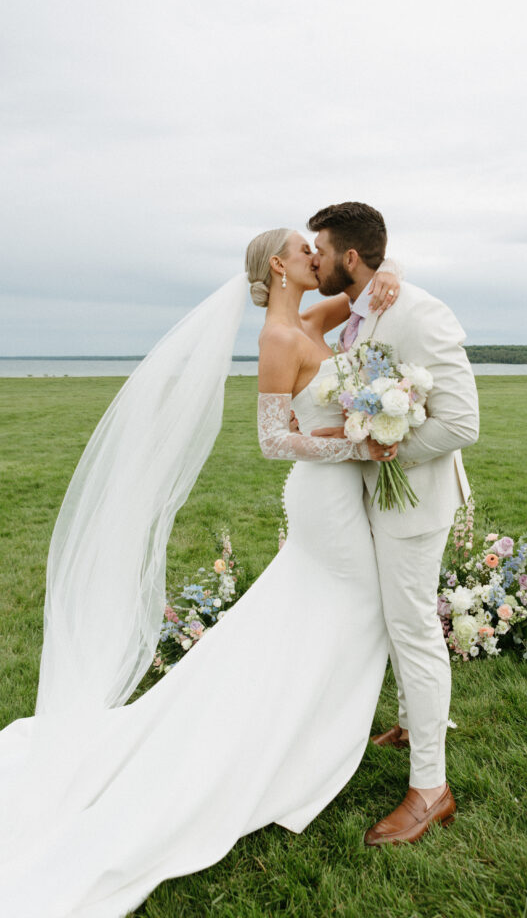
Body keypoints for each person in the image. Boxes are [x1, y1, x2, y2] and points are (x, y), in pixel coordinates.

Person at [0, 227, 411, 917]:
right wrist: (356, 442)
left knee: (314, 618)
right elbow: (272, 440)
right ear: (279, 265)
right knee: (355, 611)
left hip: (341, 497)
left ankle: (303, 732)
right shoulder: (278, 339)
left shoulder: (311, 318)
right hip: (322, 497)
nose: (318, 254)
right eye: (304, 248)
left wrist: (389, 269)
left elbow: (363, 282)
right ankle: (297, 745)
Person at [305, 202, 479, 846]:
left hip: (414, 498)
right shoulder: (362, 307)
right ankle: (409, 719)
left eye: (319, 251)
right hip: (376, 496)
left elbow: (462, 423)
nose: (314, 260)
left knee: (413, 630)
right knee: (396, 618)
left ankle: (431, 789)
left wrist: (385, 445)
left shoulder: (419, 310)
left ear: (350, 257)